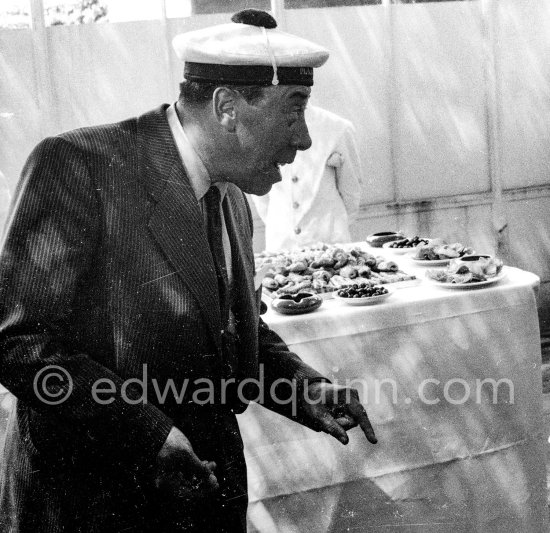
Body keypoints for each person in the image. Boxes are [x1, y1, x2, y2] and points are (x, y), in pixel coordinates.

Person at [0, 9, 376, 533]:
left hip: (202, 499)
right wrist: (148, 434)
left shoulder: (231, 196)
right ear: (227, 107)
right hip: (95, 508)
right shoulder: (78, 166)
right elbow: (18, 339)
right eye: (295, 112)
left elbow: (229, 331)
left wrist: (300, 386)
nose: (307, 140)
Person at [252, 103, 363, 251]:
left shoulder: (337, 127)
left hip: (329, 240)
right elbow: (260, 193)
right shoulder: (260, 129)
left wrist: (334, 226)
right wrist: (283, 224)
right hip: (282, 242)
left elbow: (351, 189)